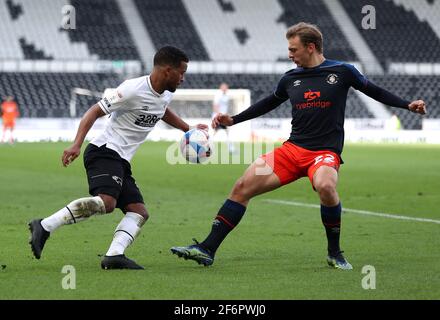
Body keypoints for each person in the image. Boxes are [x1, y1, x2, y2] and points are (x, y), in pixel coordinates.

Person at [171, 22, 426, 270]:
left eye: (293, 49)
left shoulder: (343, 71)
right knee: (242, 187)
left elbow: (375, 91)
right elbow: (268, 103)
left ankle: (334, 254)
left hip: (323, 153)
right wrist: (234, 120)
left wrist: (406, 105)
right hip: (292, 151)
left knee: (326, 186)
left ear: (311, 47)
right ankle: (207, 249)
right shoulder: (290, 78)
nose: (290, 54)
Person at [28, 46, 208, 270]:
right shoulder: (131, 90)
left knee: (138, 212)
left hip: (122, 160)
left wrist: (188, 129)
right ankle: (44, 226)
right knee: (107, 203)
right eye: (181, 73)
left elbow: (161, 110)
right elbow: (94, 111)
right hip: (104, 150)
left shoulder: (166, 92)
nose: (183, 78)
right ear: (167, 70)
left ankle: (114, 255)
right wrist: (76, 144)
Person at [212, 82, 234, 152]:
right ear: (221, 88)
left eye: (226, 87)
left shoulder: (226, 96)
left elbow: (225, 107)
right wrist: (219, 115)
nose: (225, 88)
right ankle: (208, 145)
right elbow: (215, 106)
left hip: (223, 116)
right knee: (216, 131)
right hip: (219, 116)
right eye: (224, 87)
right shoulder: (218, 95)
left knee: (226, 131)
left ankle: (229, 147)